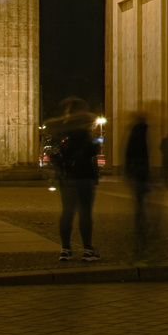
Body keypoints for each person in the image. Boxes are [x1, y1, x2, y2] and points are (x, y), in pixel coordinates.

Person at [45, 97, 101, 261]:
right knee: (85, 213)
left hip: (66, 175)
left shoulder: (60, 129)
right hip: (84, 175)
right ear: (81, 110)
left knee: (67, 212)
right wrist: (96, 140)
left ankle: (66, 249)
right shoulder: (83, 129)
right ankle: (87, 250)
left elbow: (53, 151)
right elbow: (92, 150)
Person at [124, 113, 151, 242]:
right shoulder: (144, 132)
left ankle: (140, 222)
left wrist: (128, 171)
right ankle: (141, 223)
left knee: (140, 199)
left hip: (138, 170)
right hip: (142, 170)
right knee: (141, 199)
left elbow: (129, 153)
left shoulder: (135, 132)